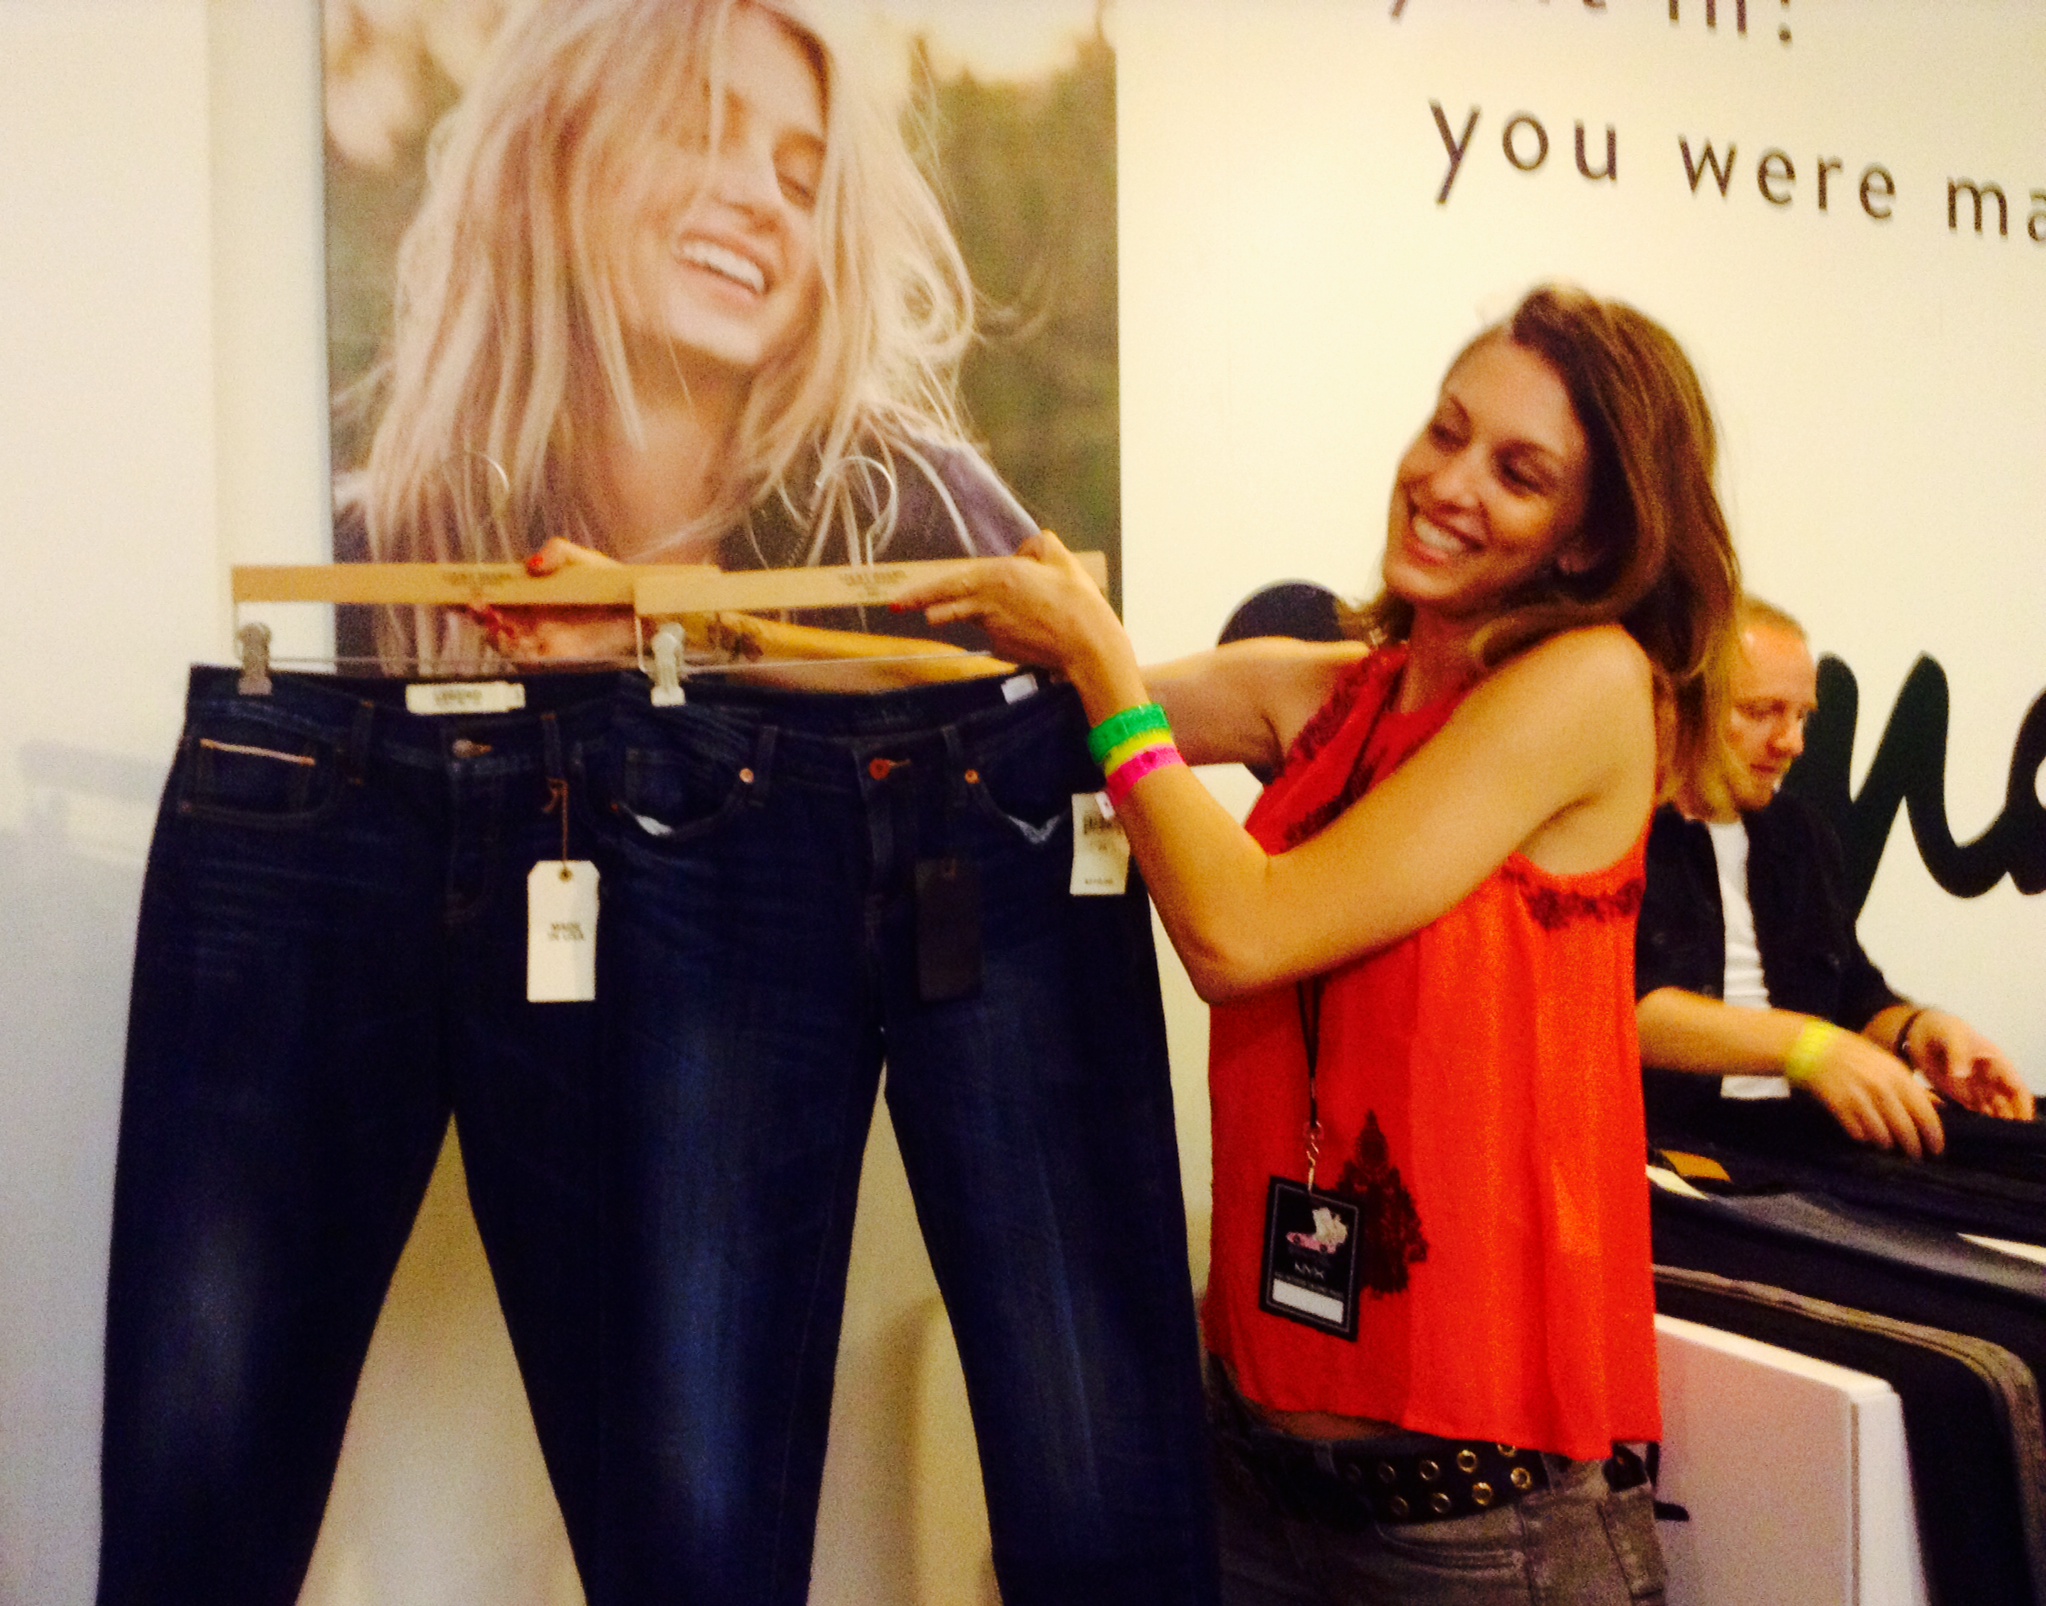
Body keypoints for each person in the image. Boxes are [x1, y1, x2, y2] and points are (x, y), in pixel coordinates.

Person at [898, 284, 1741, 1604]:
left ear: (1588, 544)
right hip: (1254, 1484)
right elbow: (965, 695)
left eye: (1517, 473)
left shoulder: (1589, 687)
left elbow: (1240, 931)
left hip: (1475, 1541)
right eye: (1446, 429)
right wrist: (629, 633)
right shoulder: (1333, 691)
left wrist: (1102, 668)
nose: (1448, 481)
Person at [335, 0, 1036, 668]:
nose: (762, 198)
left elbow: (1088, 710)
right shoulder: (359, 562)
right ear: (545, 162)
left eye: (802, 184)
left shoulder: (916, 522)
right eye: (699, 133)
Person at [1635, 597, 2033, 1159]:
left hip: (1804, 1138)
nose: (1792, 743)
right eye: (1762, 711)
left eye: (1802, 716)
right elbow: (1619, 1010)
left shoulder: (1800, 833)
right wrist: (1810, 1050)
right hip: (1669, 1144)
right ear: (1679, 703)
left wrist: (1916, 1032)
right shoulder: (1623, 831)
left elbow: (1849, 992)